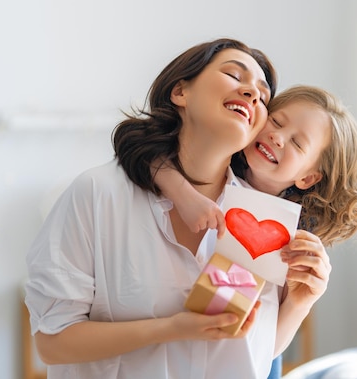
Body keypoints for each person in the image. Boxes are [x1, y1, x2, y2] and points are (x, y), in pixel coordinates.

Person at [24, 38, 331, 379]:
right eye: (234, 74)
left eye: (262, 95)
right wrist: (172, 329)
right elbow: (52, 343)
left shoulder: (263, 223)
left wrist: (300, 302)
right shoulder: (97, 193)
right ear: (180, 93)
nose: (252, 93)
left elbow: (250, 354)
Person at [159, 84, 357, 248]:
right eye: (276, 121)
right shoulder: (217, 157)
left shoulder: (291, 233)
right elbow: (145, 151)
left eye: (297, 143)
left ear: (307, 178)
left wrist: (299, 303)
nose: (277, 137)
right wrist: (183, 195)